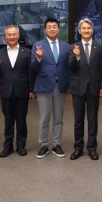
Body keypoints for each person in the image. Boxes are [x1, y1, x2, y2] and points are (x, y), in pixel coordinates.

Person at [31, 18, 71, 159]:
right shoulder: (38, 45)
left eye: (55, 26)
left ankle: (57, 144)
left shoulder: (66, 46)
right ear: (45, 30)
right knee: (44, 118)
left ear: (58, 29)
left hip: (60, 86)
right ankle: (43, 145)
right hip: (43, 86)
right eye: (49, 27)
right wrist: (39, 58)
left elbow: (68, 67)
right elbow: (33, 67)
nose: (52, 29)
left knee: (59, 117)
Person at [68, 17, 102, 160]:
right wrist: (76, 57)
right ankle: (78, 148)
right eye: (83, 28)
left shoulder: (100, 46)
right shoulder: (73, 47)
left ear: (92, 30)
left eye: (88, 28)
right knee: (78, 121)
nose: (86, 30)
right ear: (79, 31)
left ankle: (92, 148)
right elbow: (70, 68)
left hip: (94, 88)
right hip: (78, 88)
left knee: (93, 119)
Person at [0, 25, 33, 157]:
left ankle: (21, 146)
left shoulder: (27, 52)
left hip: (22, 91)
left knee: (21, 120)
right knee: (8, 120)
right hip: (6, 91)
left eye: (14, 34)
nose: (11, 37)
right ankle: (7, 146)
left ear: (18, 35)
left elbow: (30, 73)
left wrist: (31, 90)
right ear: (5, 37)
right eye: (9, 35)